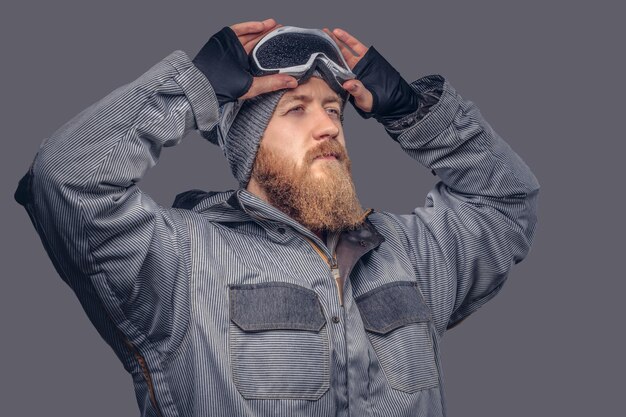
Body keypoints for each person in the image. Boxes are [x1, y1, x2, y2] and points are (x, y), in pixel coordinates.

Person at [16, 18, 539, 417]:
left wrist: (415, 114)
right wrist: (189, 89)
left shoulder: (408, 253)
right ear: (248, 149)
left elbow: (506, 201)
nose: (328, 127)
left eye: (334, 110)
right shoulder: (179, 261)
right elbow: (65, 179)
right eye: (296, 110)